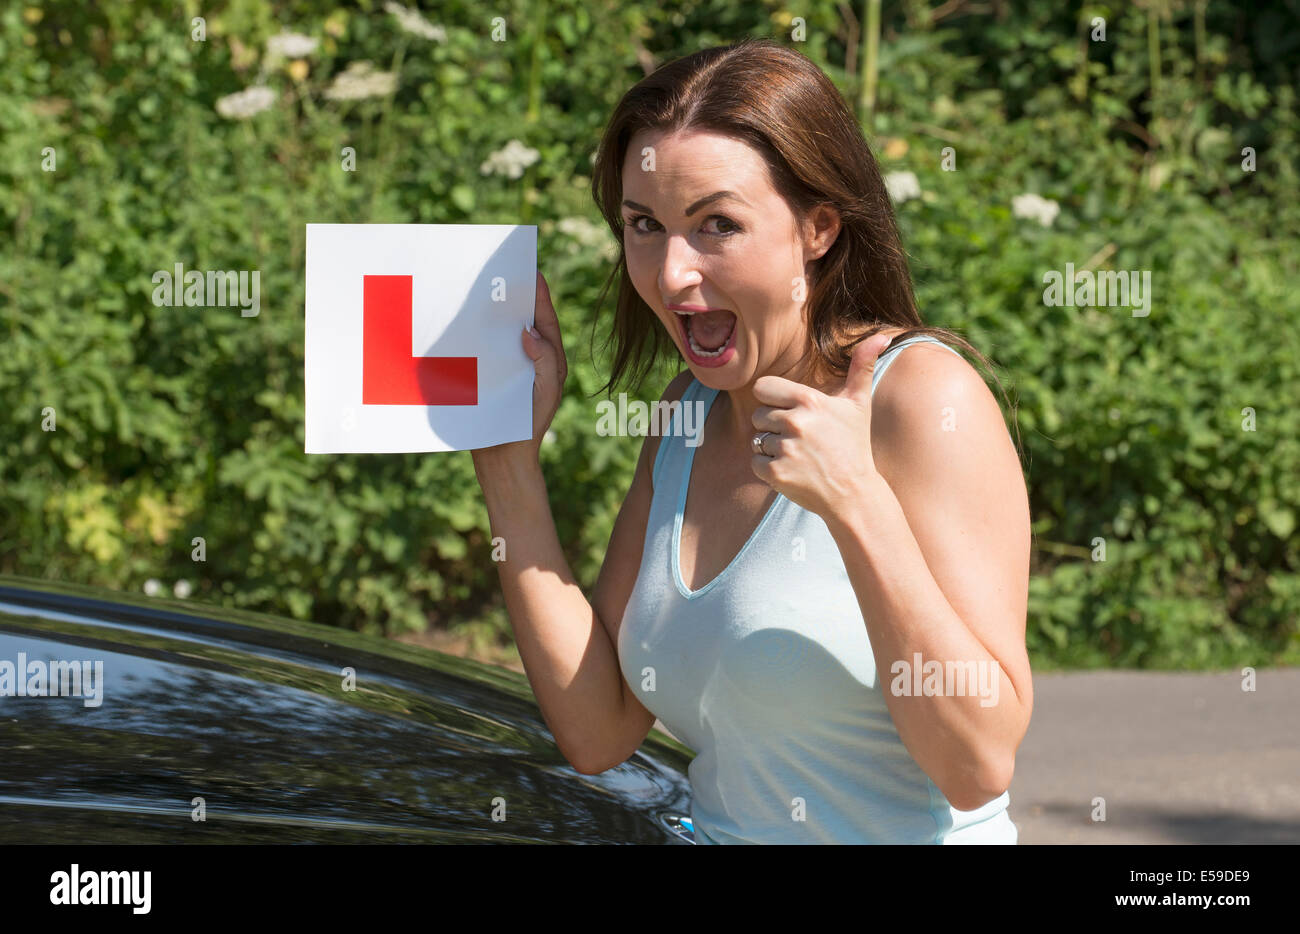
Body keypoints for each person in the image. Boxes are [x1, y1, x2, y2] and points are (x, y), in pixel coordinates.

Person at [471, 38, 1032, 843]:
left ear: (819, 227)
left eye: (717, 226)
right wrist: (506, 458)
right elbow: (598, 728)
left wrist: (854, 502)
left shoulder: (921, 399)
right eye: (644, 225)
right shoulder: (685, 413)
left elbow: (977, 760)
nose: (669, 275)